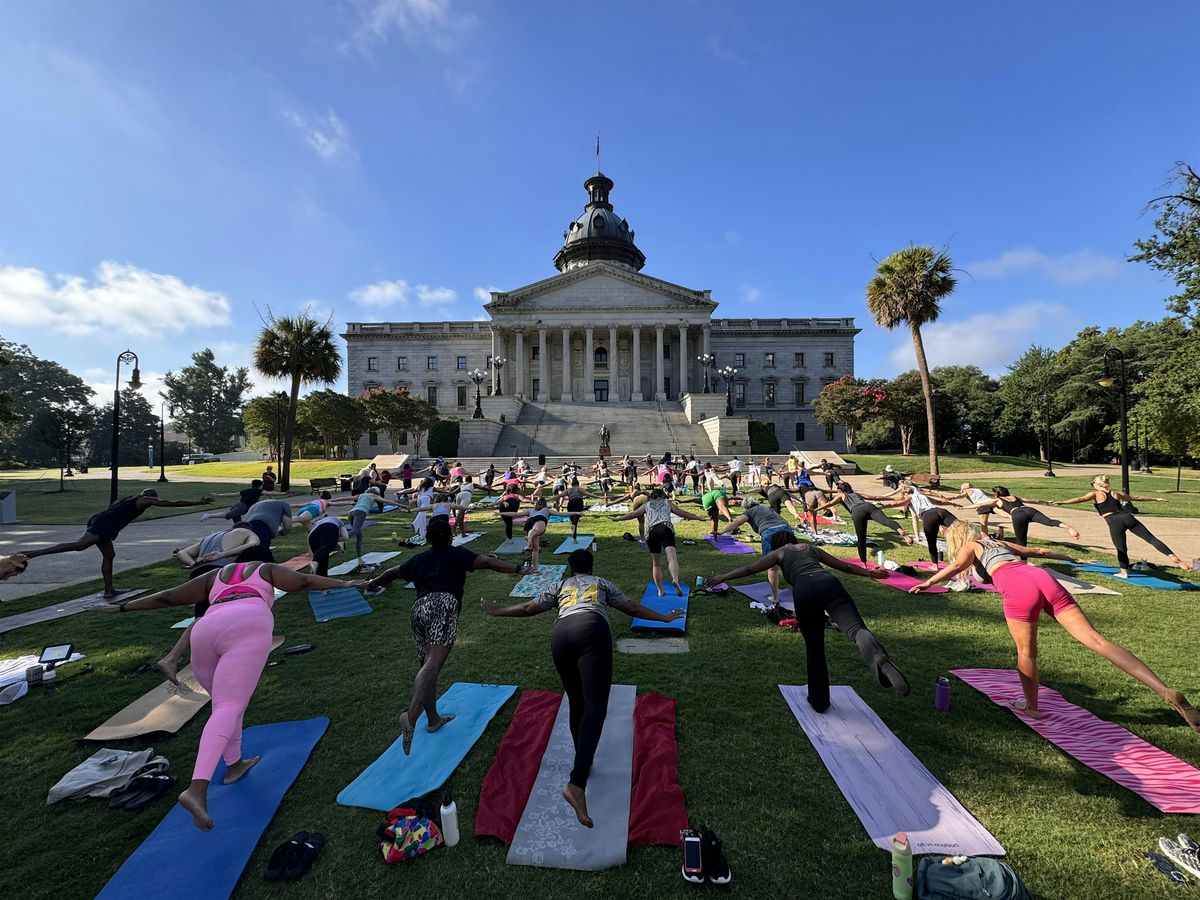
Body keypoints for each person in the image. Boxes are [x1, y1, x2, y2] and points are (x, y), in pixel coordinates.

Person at [89, 546, 359, 829]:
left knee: (225, 706)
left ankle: (234, 766)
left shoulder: (214, 577)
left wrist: (120, 608)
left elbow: (168, 597)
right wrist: (344, 582)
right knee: (229, 706)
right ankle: (197, 789)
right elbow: (302, 582)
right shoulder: (264, 569)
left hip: (206, 629)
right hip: (247, 622)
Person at [909, 522, 1199, 731]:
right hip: (1041, 577)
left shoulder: (972, 545)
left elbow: (957, 567)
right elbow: (1039, 551)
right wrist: (1072, 557)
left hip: (1018, 586)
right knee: (1097, 640)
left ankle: (1031, 708)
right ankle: (1163, 690)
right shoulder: (1002, 544)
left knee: (1027, 652)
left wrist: (929, 581)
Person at [482, 549, 684, 827]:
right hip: (591, 631)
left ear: (570, 567)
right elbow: (633, 608)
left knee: (576, 701)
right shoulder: (601, 583)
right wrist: (665, 618)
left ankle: (583, 758)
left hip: (560, 636)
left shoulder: (560, 586)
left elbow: (529, 608)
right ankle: (576, 783)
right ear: (591, 565)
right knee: (595, 706)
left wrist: (499, 611)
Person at [366, 519, 530, 754]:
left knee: (426, 666)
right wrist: (517, 568)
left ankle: (433, 720)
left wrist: (371, 582)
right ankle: (411, 716)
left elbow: (392, 573)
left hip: (418, 609)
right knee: (433, 665)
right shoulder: (456, 554)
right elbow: (485, 561)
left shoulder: (419, 559)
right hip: (443, 605)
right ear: (450, 536)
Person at [705, 531, 909, 713]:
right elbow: (845, 566)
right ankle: (878, 658)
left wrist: (724, 576)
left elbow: (750, 568)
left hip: (805, 589)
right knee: (856, 629)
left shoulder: (779, 553)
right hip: (829, 582)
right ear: (794, 540)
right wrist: (871, 573)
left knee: (815, 648)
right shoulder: (812, 549)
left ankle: (819, 700)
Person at [23, 489, 214, 598]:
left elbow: (115, 512)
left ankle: (109, 590)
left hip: (101, 520)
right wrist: (199, 502)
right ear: (149, 497)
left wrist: (111, 531)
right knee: (79, 545)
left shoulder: (127, 499)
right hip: (103, 524)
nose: (152, 501)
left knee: (109, 555)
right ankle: (35, 552)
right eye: (152, 498)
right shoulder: (145, 500)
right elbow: (172, 502)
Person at [1054, 475, 1190, 577]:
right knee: (1151, 539)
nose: (1092, 486)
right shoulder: (1115, 493)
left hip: (1114, 521)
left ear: (1097, 484)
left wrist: (1062, 503)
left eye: (1093, 483)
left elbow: (1079, 499)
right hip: (1127, 516)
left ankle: (1124, 572)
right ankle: (1173, 557)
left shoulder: (1095, 494)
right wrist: (1155, 498)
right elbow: (1135, 498)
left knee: (1121, 547)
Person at [612, 488, 704, 596]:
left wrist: (618, 518)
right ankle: (675, 579)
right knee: (672, 558)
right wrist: (698, 517)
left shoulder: (647, 505)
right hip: (665, 529)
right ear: (663, 496)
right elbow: (683, 513)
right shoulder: (667, 503)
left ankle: (660, 590)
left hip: (651, 532)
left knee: (656, 564)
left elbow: (632, 514)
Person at [720, 496, 794, 606]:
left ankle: (775, 597)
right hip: (786, 530)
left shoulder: (749, 512)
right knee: (792, 562)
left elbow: (736, 523)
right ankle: (803, 589)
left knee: (771, 566)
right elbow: (784, 521)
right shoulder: (767, 508)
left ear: (746, 507)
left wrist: (721, 532)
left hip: (770, 533)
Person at [816, 481, 912, 565]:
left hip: (857, 512)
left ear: (840, 491)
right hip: (868, 506)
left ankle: (864, 564)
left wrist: (815, 509)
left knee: (861, 539)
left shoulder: (841, 495)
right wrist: (893, 499)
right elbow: (874, 497)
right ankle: (900, 531)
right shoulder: (857, 494)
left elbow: (829, 504)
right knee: (886, 520)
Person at [988, 486, 1081, 546]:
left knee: (1021, 540)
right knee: (1049, 522)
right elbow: (1033, 501)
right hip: (1030, 510)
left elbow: (980, 505)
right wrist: (1045, 502)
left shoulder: (997, 500)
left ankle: (1023, 561)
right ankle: (1067, 527)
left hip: (1018, 515)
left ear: (997, 494)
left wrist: (973, 506)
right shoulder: (1014, 497)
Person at [902, 482, 959, 564]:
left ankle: (935, 565)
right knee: (962, 529)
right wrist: (953, 503)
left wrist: (885, 505)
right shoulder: (923, 496)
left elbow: (898, 504)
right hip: (941, 511)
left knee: (932, 542)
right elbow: (939, 502)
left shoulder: (909, 499)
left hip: (929, 516)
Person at [173, 525, 262, 567]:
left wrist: (192, 563)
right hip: (221, 571)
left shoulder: (209, 537)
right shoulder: (246, 532)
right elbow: (253, 545)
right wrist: (222, 554)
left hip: (198, 572)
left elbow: (181, 552)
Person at [346, 487, 389, 570]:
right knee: (355, 531)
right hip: (360, 512)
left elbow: (347, 498)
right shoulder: (373, 495)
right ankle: (338, 539)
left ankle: (359, 559)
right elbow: (387, 501)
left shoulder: (362, 495)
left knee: (359, 536)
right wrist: (401, 505)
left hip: (350, 513)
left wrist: (333, 500)